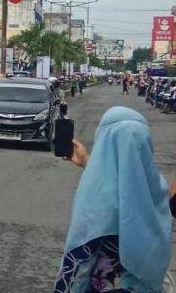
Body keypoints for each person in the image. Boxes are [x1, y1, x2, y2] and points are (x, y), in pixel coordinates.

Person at [55, 107, 172, 292]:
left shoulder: (94, 201)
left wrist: (91, 163)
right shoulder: (157, 190)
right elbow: (130, 183)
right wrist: (87, 161)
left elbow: (78, 268)